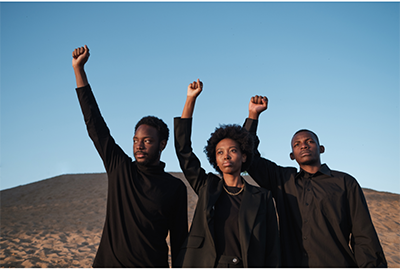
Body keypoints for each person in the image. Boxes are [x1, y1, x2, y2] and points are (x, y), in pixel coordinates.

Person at [72, 45, 188, 267]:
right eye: (136, 140)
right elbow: (95, 124)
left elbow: (180, 241)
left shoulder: (175, 188)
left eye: (147, 141)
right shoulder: (120, 168)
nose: (139, 146)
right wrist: (79, 70)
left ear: (162, 144)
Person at [243, 95, 387, 267]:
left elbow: (363, 235)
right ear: (291, 155)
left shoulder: (344, 182)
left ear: (321, 148)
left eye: (309, 141)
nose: (303, 145)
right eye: (297, 144)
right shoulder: (283, 180)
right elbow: (249, 158)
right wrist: (253, 116)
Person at [174, 80, 280, 267]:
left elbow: (271, 247)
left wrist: (253, 115)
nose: (226, 156)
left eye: (233, 150)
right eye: (220, 152)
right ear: (215, 159)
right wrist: (190, 100)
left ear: (244, 156)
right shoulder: (207, 187)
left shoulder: (262, 197)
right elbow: (184, 152)